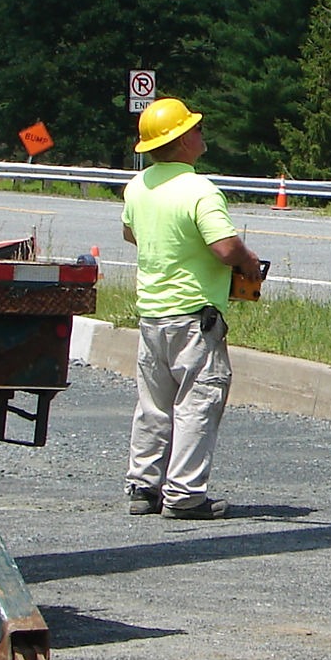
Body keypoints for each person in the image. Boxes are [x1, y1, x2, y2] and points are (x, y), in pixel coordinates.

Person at [120, 97, 264, 521]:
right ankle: (184, 495)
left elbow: (131, 234)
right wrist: (249, 262)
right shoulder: (200, 190)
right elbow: (224, 248)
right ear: (182, 141)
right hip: (194, 317)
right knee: (198, 402)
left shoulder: (138, 186)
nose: (202, 134)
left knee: (154, 403)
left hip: (152, 312)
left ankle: (143, 486)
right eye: (196, 129)